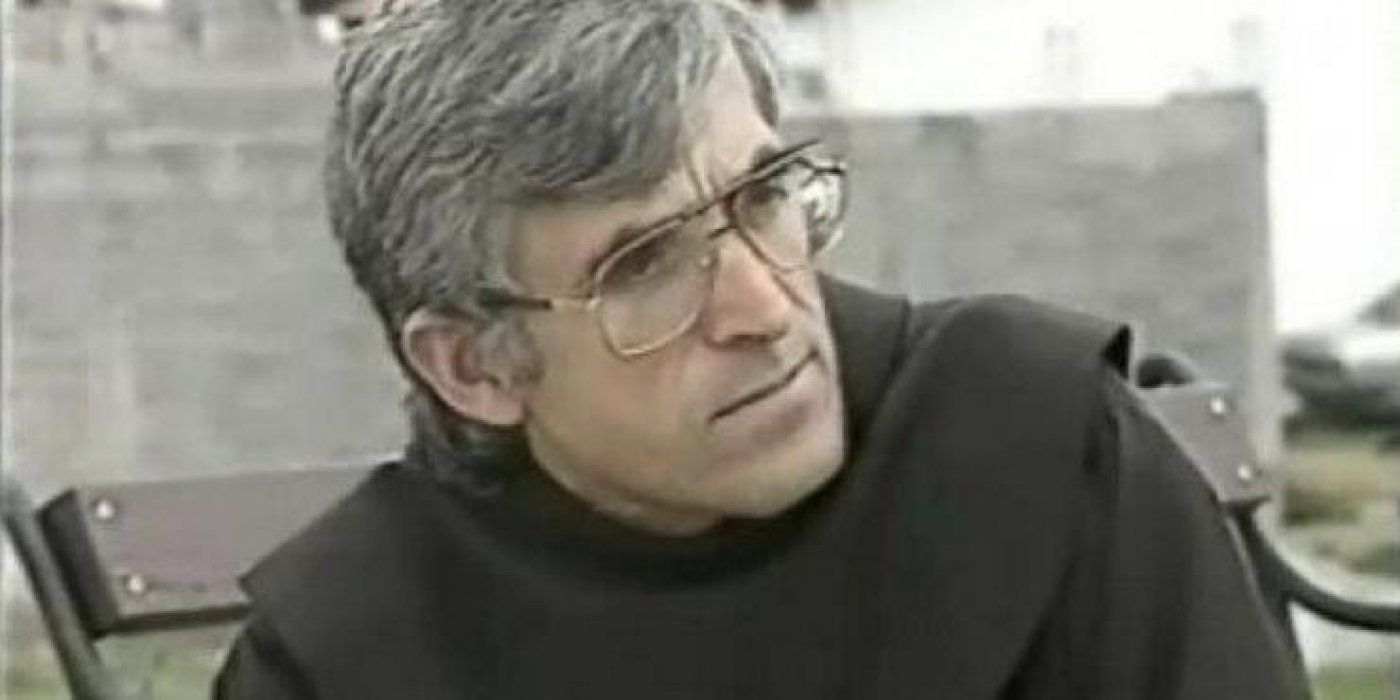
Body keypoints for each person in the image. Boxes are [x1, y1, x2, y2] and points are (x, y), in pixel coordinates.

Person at [214, 0, 1310, 697]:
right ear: (476, 366)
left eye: (762, 196)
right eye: (644, 263)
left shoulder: (1043, 445)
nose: (765, 307)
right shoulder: (345, 656)